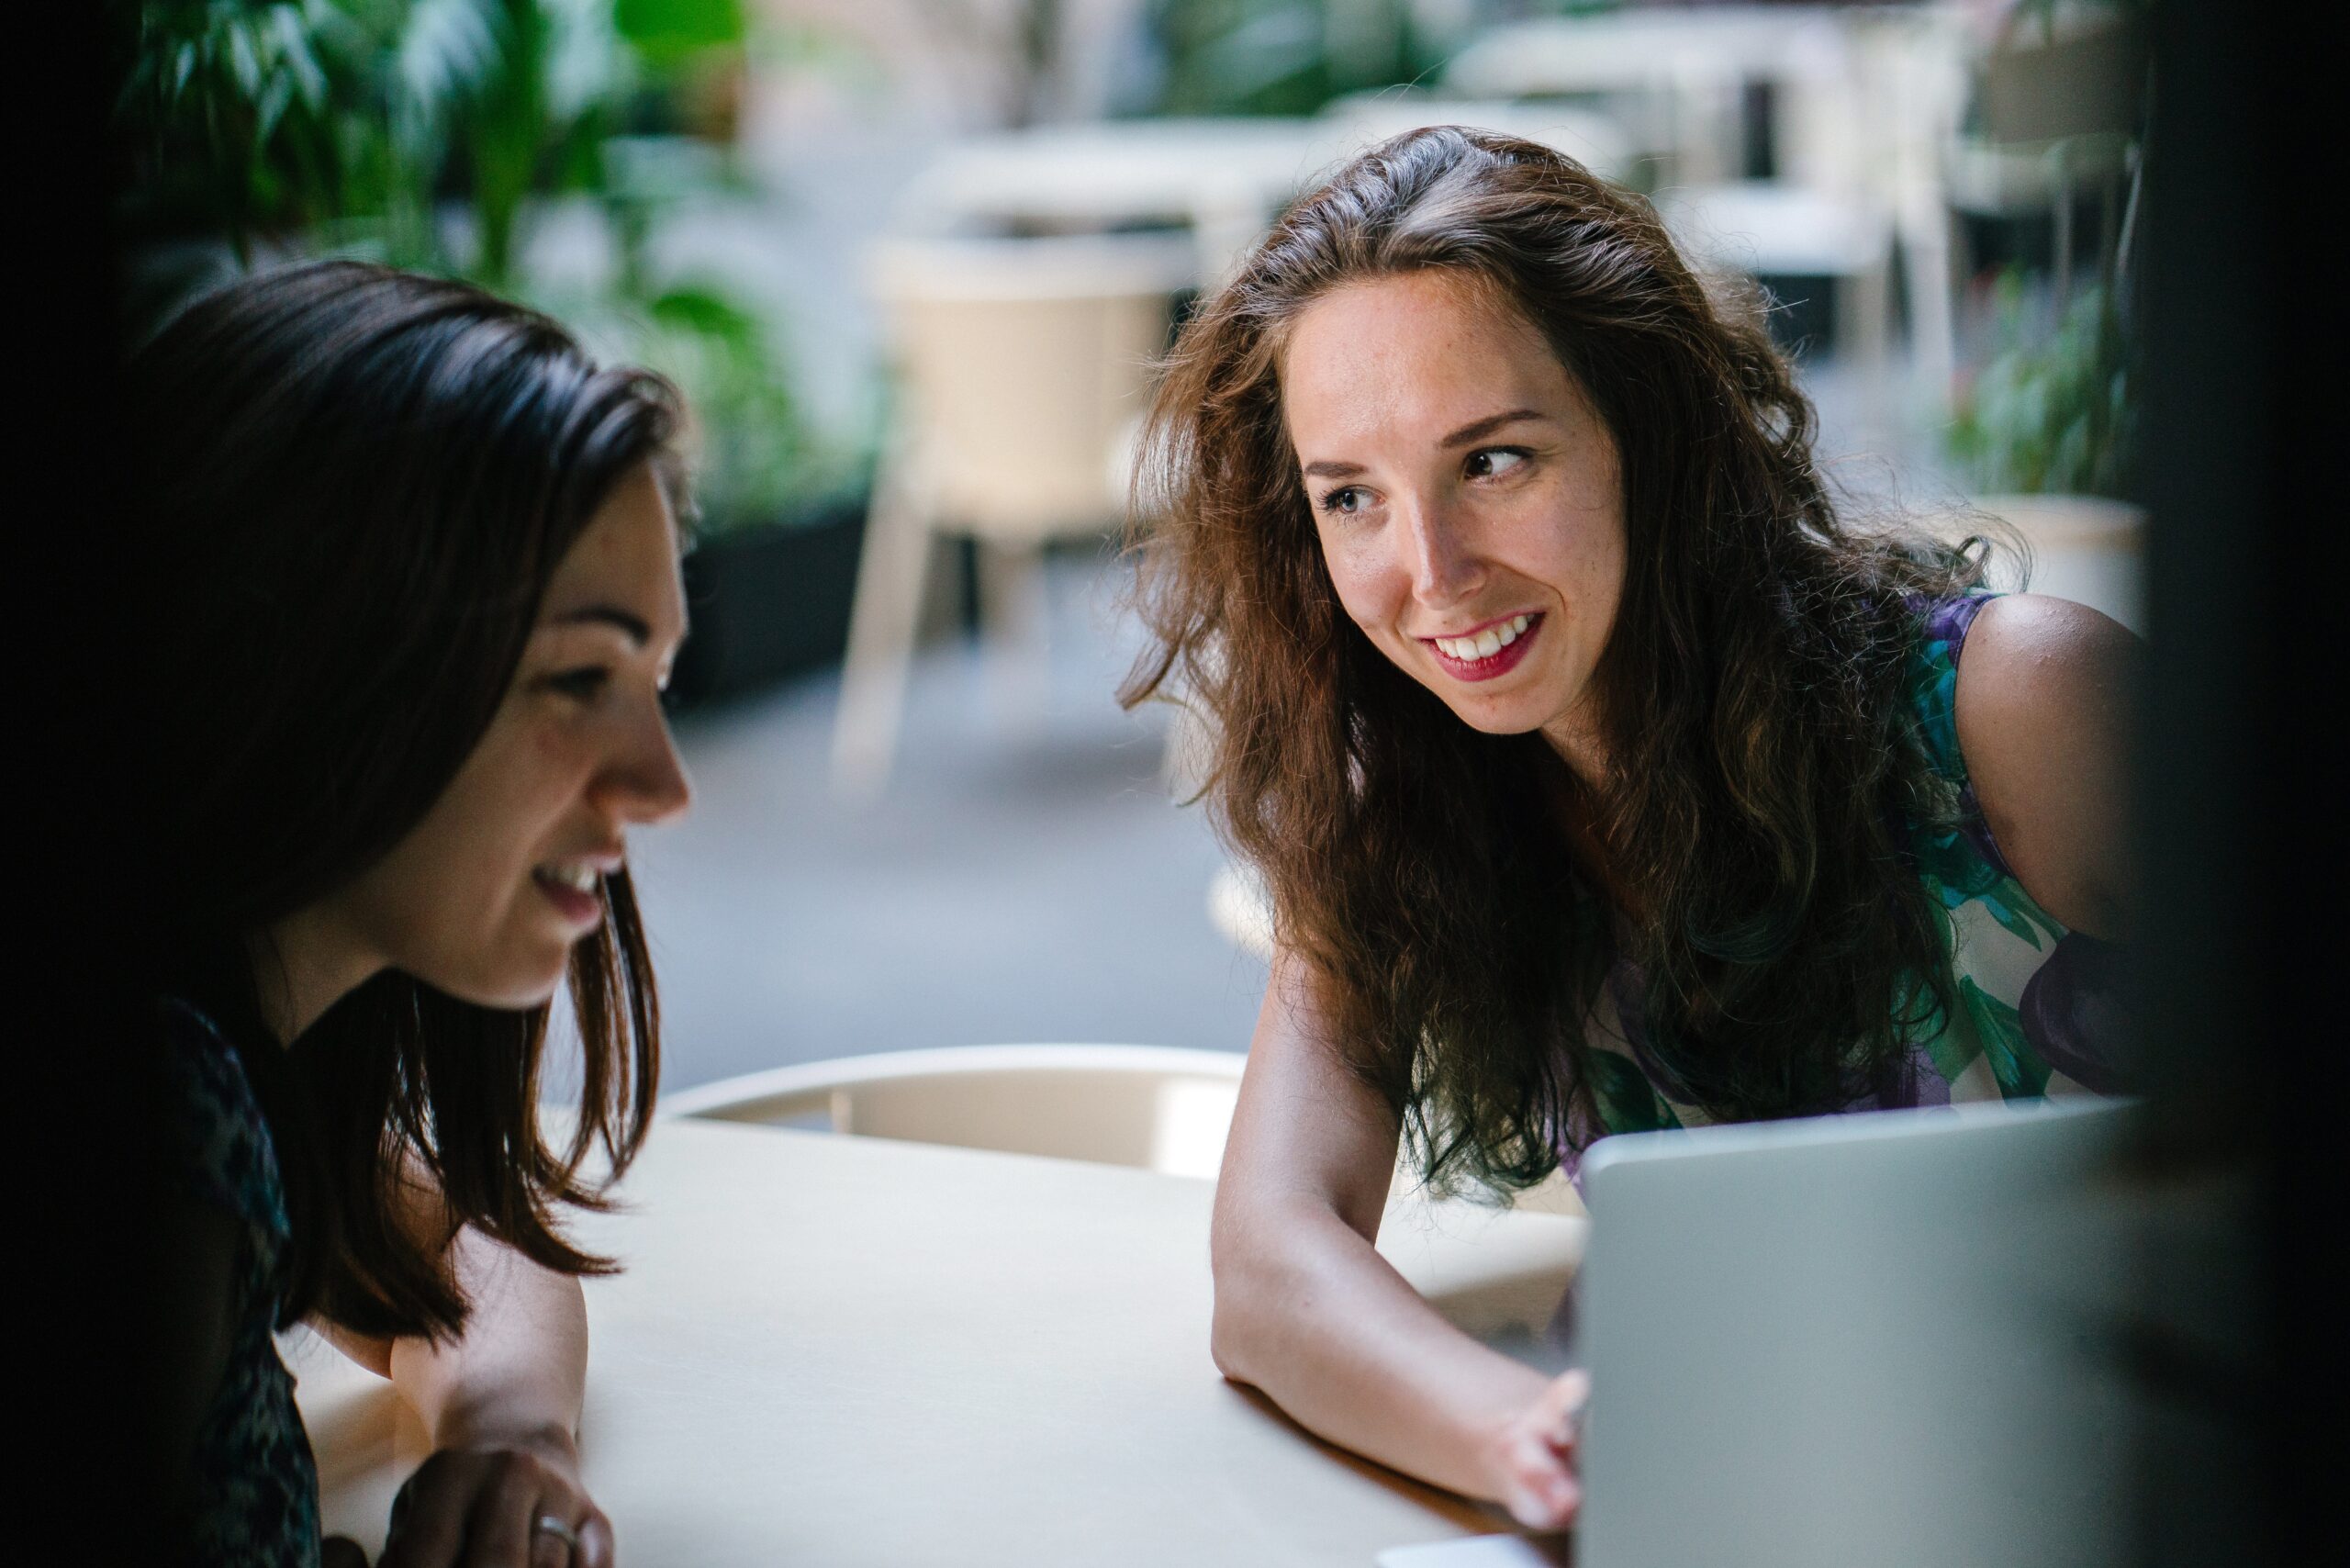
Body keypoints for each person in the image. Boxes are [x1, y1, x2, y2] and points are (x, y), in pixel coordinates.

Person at [1121, 128, 2139, 1529]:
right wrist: (1531, 1437)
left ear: (1646, 433)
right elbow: (1270, 1263)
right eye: (1349, 495)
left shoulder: (2017, 707)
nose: (1432, 575)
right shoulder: (1407, 821)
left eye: (1492, 461)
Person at [127, 261, 694, 1566]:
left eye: (654, 681)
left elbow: (461, 1253)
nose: (665, 784)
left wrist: (509, 1444)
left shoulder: (251, 1075)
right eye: (576, 678)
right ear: (327, 661)